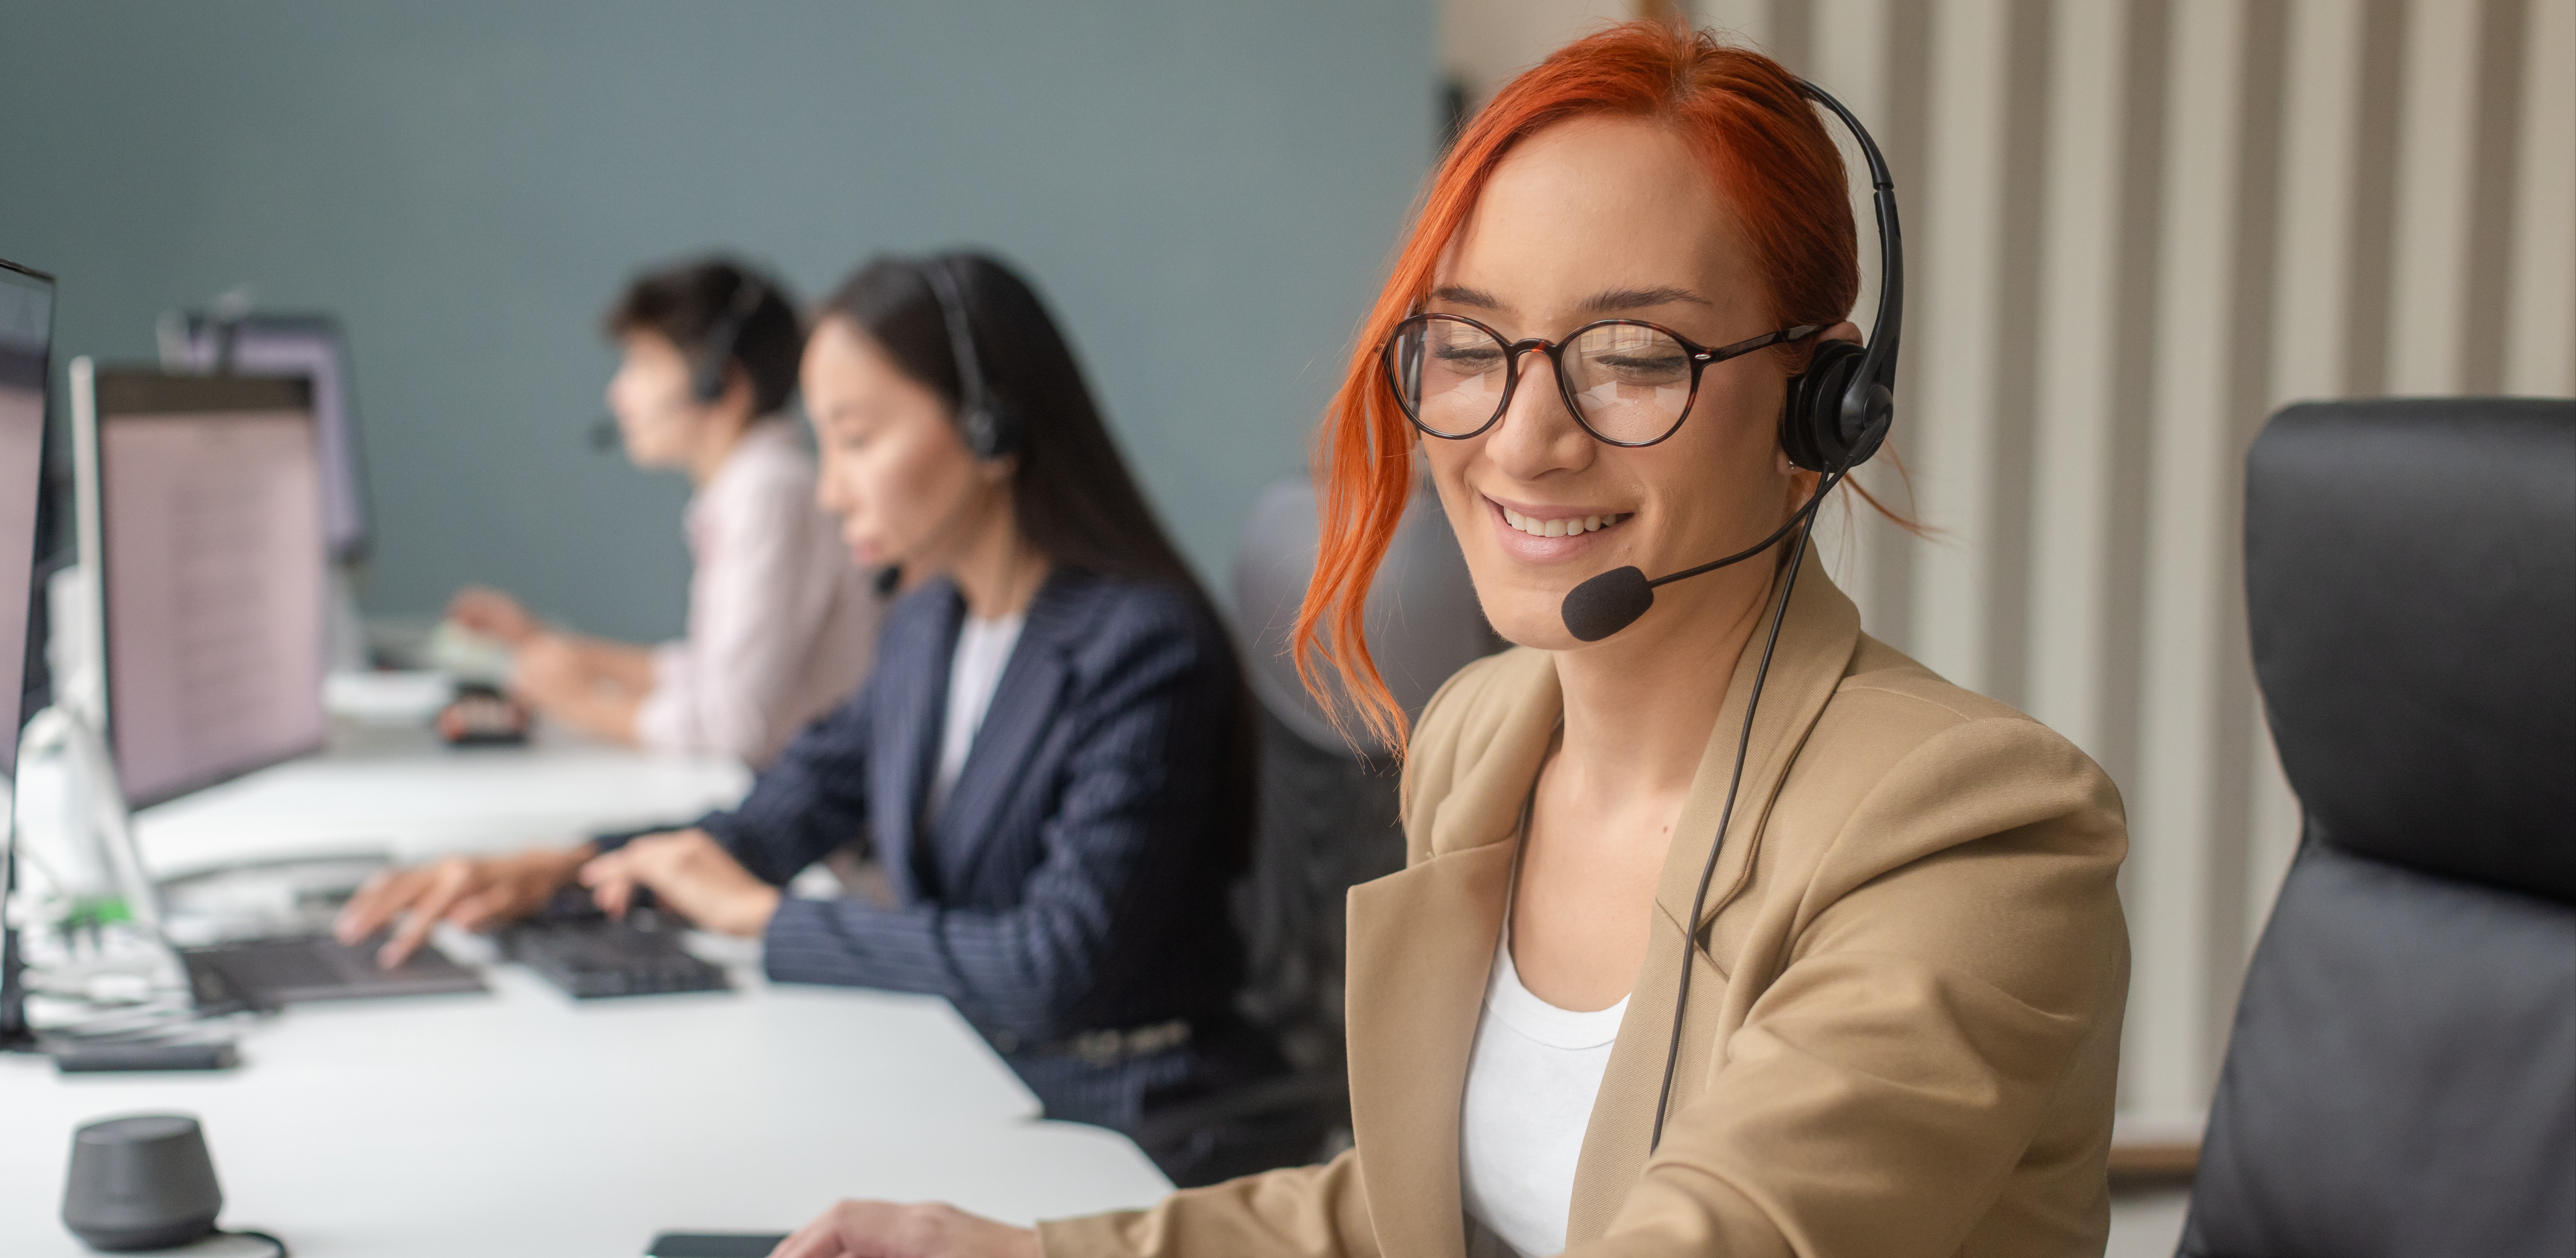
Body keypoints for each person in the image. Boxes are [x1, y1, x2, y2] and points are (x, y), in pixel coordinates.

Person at [771, 22, 2128, 1258]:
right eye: (1470, 347)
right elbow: (1405, 1213)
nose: (1525, 442)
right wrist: (1016, 1252)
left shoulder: (1971, 826)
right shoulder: (1486, 734)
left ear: (1822, 406)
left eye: (1635, 354)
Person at [340, 252, 1292, 1186]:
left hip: (1133, 1122)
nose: (831, 489)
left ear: (990, 425)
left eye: (858, 438)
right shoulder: (928, 622)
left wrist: (764, 919)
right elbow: (776, 817)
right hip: (984, 1075)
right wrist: (563, 865)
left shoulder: (1141, 644)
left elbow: (1054, 965)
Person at [444, 258, 880, 765]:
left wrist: (580, 701)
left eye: (645, 364)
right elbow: (712, 671)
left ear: (719, 383)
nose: (619, 393)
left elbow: (731, 727)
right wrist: (559, 648)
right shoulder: (751, 484)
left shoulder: (768, 490)